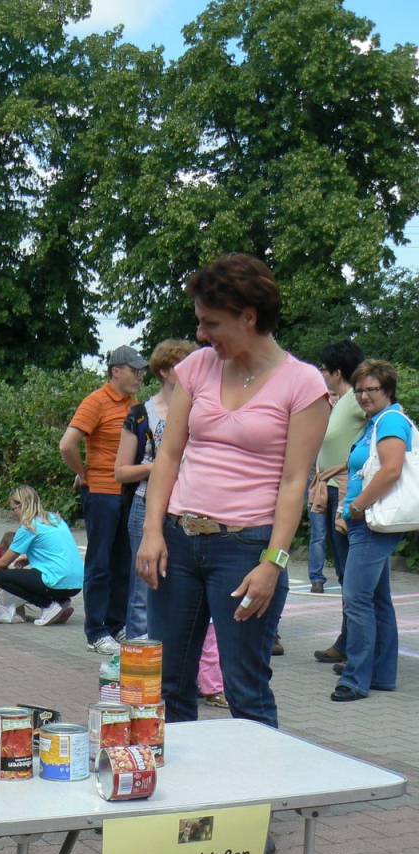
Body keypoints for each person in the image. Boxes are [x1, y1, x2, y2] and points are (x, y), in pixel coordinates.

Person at [136, 253, 329, 727]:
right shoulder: (198, 368)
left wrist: (273, 563)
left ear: (249, 316)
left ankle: (258, 800)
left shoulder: (303, 383)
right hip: (178, 542)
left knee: (244, 685)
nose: (201, 334)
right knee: (169, 684)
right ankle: (184, 800)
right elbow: (168, 455)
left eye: (211, 323)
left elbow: (292, 482)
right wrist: (152, 531)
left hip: (246, 550)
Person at [331, 360, 411, 702]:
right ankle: (381, 675)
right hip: (368, 522)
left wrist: (355, 508)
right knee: (378, 601)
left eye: (372, 389)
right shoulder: (377, 422)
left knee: (357, 599)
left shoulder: (391, 421)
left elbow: (391, 469)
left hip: (371, 522)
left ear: (387, 390)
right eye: (360, 390)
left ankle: (355, 678)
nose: (364, 396)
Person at [60, 345, 146, 654]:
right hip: (102, 493)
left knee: (124, 561)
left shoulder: (135, 404)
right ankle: (95, 630)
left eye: (141, 371)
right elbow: (67, 445)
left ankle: (116, 623)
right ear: (115, 371)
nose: (140, 376)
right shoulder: (95, 402)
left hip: (128, 492)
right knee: (100, 563)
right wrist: (84, 473)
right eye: (135, 371)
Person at [115, 339, 197, 639]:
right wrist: (163, 465)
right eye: (183, 367)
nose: (193, 372)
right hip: (145, 504)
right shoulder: (140, 415)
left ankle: (174, 665)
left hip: (188, 508)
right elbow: (121, 471)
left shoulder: (201, 410)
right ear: (165, 371)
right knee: (143, 588)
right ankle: (140, 670)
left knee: (184, 587)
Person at [311, 340, 366, 664]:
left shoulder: (357, 401)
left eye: (323, 369)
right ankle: (348, 640)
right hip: (330, 490)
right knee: (344, 570)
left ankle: (355, 644)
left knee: (350, 572)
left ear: (337, 372)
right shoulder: (341, 401)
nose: (320, 373)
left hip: (347, 489)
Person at [0, 486, 83, 625]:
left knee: (1, 577)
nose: (13, 514)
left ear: (21, 506)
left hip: (56, 580)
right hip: (76, 583)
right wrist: (29, 559)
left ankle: (47, 605)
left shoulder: (28, 526)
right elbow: (57, 549)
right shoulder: (54, 518)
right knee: (31, 575)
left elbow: (3, 563)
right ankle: (60, 602)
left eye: (13, 509)